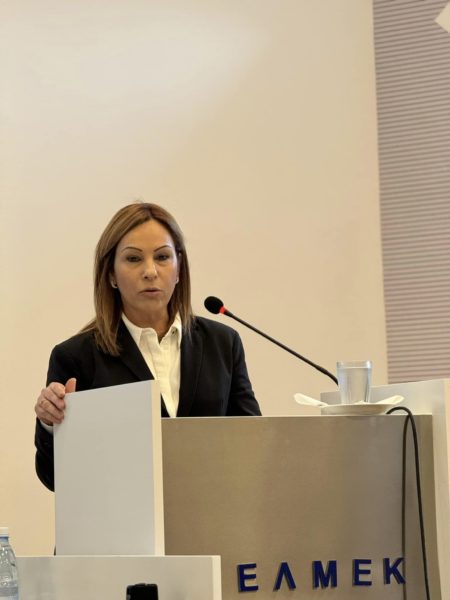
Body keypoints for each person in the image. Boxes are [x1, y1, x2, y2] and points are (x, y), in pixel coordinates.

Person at [34, 202, 261, 491]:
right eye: (133, 259)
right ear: (111, 274)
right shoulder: (75, 357)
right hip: (120, 517)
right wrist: (50, 423)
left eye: (163, 257)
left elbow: (252, 446)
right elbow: (55, 478)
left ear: (179, 268)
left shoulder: (223, 343)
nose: (150, 271)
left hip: (209, 513)